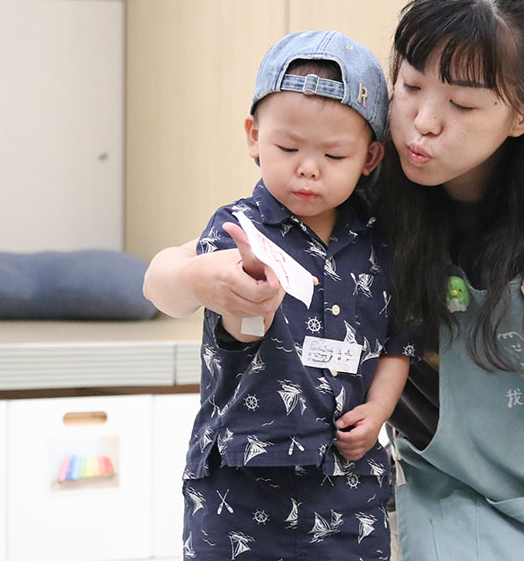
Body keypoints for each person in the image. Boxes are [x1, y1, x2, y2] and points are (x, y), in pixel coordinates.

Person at [145, 0, 524, 559]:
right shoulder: (357, 183)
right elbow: (165, 279)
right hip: (464, 501)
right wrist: (199, 280)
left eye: (462, 105)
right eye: (411, 86)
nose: (423, 122)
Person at [144, 30, 419, 560]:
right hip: (239, 490)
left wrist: (379, 409)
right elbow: (209, 314)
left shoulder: (384, 243)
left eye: (334, 154)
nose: (307, 168)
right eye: (288, 148)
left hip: (348, 492)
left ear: (370, 157)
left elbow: (399, 342)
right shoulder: (238, 228)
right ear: (253, 136)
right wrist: (237, 295)